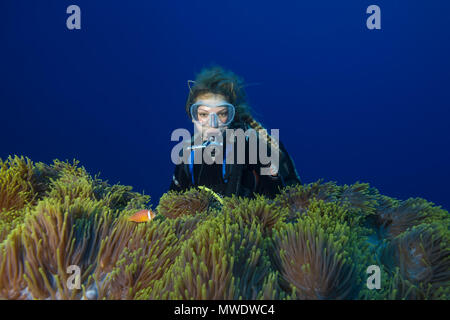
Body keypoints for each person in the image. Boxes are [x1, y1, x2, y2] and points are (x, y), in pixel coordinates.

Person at [169, 66, 301, 199]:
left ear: (232, 115)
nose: (213, 124)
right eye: (203, 114)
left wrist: (272, 175)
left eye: (222, 114)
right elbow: (172, 201)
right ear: (192, 116)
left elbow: (278, 199)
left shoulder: (253, 146)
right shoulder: (187, 153)